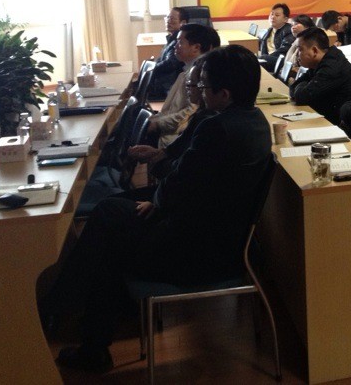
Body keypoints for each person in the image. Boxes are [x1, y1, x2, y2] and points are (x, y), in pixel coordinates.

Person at [49, 45, 272, 373]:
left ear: (224, 94)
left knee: (109, 232)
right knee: (110, 215)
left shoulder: (217, 128)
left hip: (198, 253)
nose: (199, 91)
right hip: (221, 236)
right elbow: (192, 183)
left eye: (204, 86)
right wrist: (158, 201)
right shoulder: (255, 121)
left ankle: (72, 317)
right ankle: (80, 314)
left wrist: (158, 203)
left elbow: (181, 183)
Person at [126, 57, 217, 187]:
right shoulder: (200, 115)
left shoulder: (209, 124)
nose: (188, 87)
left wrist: (156, 161)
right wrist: (157, 153)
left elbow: (182, 173)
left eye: (194, 84)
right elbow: (175, 150)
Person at [145, 23, 220, 147]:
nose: (175, 45)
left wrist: (157, 123)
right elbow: (170, 110)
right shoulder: (185, 72)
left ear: (196, 47)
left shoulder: (197, 78)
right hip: (167, 131)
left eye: (180, 42)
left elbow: (189, 113)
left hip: (173, 139)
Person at [289, 27, 351, 124]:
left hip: (339, 124)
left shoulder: (332, 67)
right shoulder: (320, 62)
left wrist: (301, 86)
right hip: (326, 116)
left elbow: (303, 98)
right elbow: (293, 88)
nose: (297, 54)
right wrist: (301, 86)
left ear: (314, 51)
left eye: (300, 49)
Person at [146, 6, 188, 101]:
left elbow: (170, 63)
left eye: (172, 19)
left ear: (183, 23)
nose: (168, 21)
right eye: (167, 18)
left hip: (167, 87)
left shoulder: (178, 42)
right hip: (162, 84)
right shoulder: (172, 38)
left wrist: (151, 68)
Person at [258, 2, 294, 69]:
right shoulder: (270, 30)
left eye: (277, 15)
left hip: (280, 61)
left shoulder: (289, 31)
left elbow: (283, 50)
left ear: (285, 19)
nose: (272, 17)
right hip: (267, 58)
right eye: (272, 14)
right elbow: (261, 44)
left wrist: (265, 57)